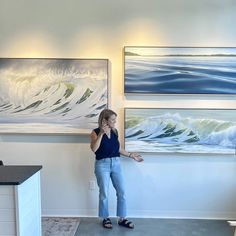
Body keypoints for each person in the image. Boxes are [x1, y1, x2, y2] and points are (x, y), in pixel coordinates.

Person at [90, 109, 143, 229]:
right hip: (102, 165)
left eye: (115, 119)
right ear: (105, 120)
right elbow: (94, 149)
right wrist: (101, 134)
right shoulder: (95, 132)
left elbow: (118, 148)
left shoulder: (115, 132)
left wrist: (130, 155)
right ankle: (105, 218)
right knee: (104, 193)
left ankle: (122, 218)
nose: (115, 122)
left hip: (116, 163)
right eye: (113, 120)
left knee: (122, 191)